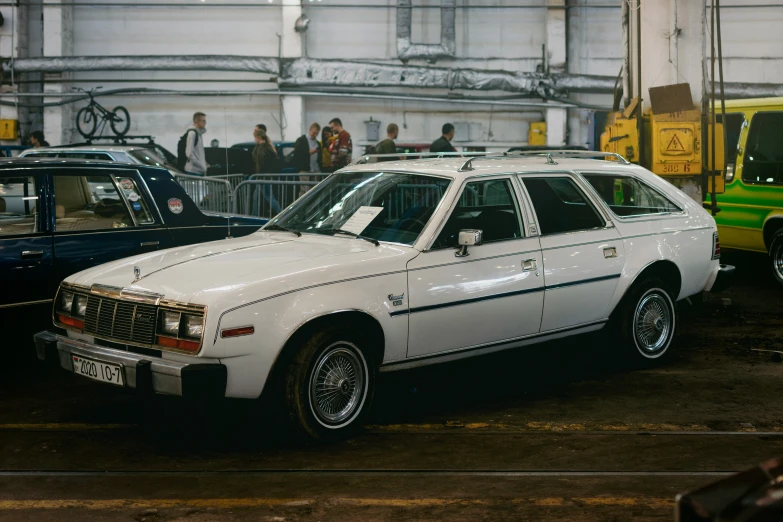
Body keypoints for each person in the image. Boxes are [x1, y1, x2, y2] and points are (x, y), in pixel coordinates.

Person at [294, 123, 322, 197]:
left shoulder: (318, 143)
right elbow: (297, 154)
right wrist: (308, 153)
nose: (315, 135)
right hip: (304, 169)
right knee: (304, 190)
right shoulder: (301, 140)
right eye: (313, 133)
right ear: (310, 130)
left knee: (314, 191)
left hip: (315, 170)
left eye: (316, 133)